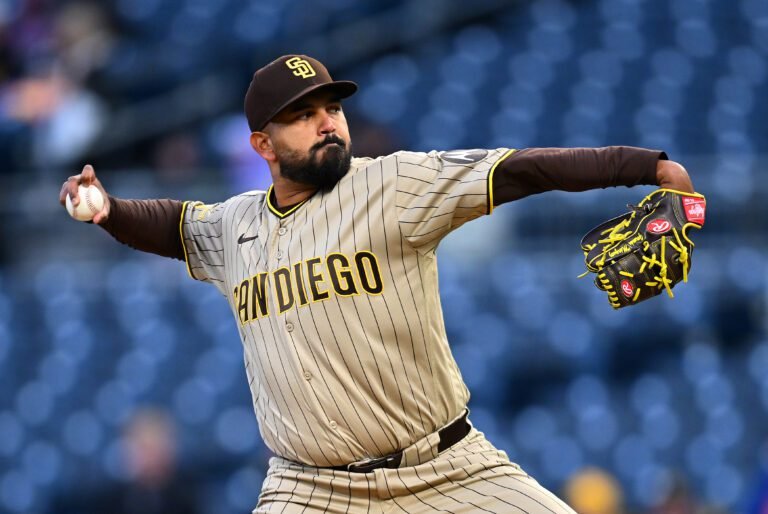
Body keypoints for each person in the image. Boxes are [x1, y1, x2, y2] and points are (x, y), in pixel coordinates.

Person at [60, 54, 696, 513]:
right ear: (263, 144)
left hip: (448, 469)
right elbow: (173, 225)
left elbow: (521, 169)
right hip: (310, 490)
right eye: (303, 114)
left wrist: (646, 165)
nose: (328, 121)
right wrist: (109, 210)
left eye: (332, 107)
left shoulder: (394, 185)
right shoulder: (235, 226)